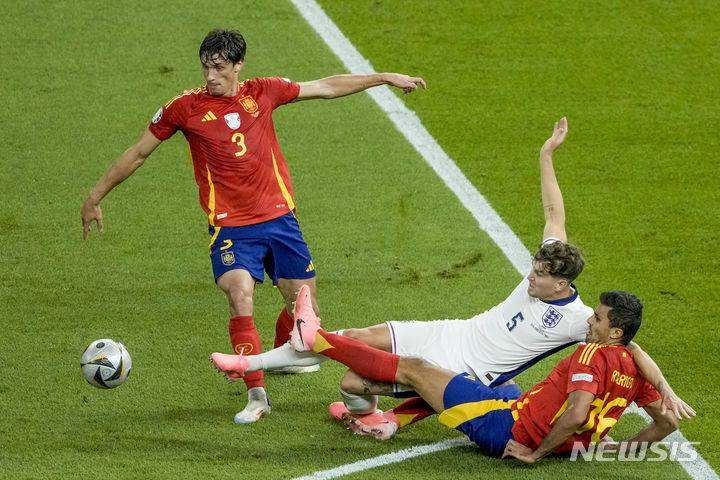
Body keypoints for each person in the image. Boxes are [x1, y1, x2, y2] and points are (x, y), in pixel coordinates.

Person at [207, 118, 693, 433]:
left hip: (466, 370)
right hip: (452, 331)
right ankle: (278, 364)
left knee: (353, 383)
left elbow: (631, 347)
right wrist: (547, 154)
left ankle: (369, 418)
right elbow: (552, 213)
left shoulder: (580, 319)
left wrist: (666, 390)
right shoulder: (551, 261)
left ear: (562, 285)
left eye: (540, 277)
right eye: (533, 267)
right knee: (355, 335)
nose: (530, 277)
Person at [80, 29, 426, 424]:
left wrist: (384, 78)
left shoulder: (264, 91)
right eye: (206, 67)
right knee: (240, 294)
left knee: (306, 314)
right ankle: (256, 394)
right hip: (231, 228)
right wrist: (95, 195)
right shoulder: (183, 108)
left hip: (280, 220)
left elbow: (326, 87)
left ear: (238, 64)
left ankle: (286, 354)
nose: (211, 76)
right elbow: (138, 153)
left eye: (219, 67)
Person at [213, 285, 685, 461]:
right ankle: (392, 418)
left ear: (614, 332)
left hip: (509, 432)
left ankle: (315, 339)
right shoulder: (633, 368)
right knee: (503, 383)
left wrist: (537, 452)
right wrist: (612, 448)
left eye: (598, 320)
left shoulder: (590, 356)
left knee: (418, 369)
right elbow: (666, 421)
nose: (590, 322)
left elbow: (580, 410)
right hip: (530, 417)